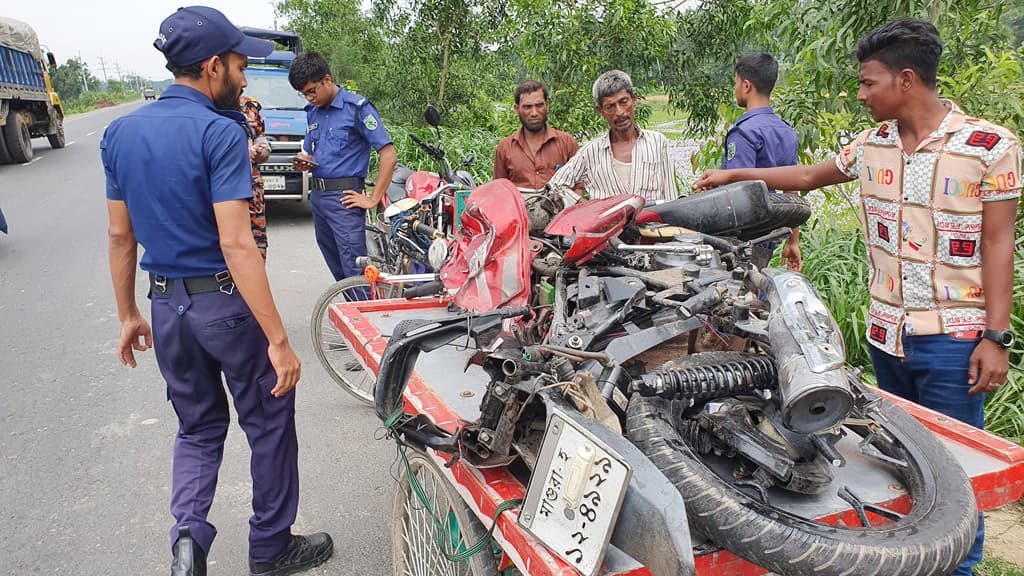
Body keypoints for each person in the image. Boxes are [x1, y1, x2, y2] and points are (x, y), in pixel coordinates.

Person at [695, 18, 1019, 575]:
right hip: (886, 335)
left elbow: (997, 244)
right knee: (899, 461)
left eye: (869, 83)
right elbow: (806, 177)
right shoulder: (873, 143)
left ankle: (960, 568)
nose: (862, 94)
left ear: (907, 80)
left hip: (954, 338)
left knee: (954, 476)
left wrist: (995, 336)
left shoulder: (989, 147)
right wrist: (734, 177)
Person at [102, 7, 333, 576]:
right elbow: (237, 243)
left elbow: (118, 233)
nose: (245, 76)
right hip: (223, 306)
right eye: (239, 64)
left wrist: (129, 313)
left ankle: (188, 542)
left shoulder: (121, 131)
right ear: (211, 67)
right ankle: (270, 547)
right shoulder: (219, 131)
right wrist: (278, 339)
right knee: (271, 415)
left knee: (199, 427)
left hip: (165, 306)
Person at [288, 52, 397, 281]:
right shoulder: (313, 113)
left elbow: (388, 155)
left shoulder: (356, 108)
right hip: (318, 198)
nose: (309, 98)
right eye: (303, 94)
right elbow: (308, 151)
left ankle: (366, 314)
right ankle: (353, 313)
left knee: (354, 269)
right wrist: (302, 160)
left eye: (311, 91)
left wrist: (373, 198)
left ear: (327, 80)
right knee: (338, 270)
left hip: (344, 200)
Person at [548, 70, 677, 203]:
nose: (619, 112)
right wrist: (585, 206)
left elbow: (670, 195)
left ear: (634, 99)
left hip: (654, 223)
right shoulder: (591, 152)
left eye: (623, 102)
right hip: (609, 224)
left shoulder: (657, 142)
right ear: (601, 111)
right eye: (610, 107)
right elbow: (555, 186)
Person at [723, 53, 802, 270]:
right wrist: (793, 240)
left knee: (740, 291)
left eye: (736, 83)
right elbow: (792, 190)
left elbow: (738, 193)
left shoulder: (744, 133)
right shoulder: (786, 131)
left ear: (746, 86)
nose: (735, 89)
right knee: (759, 283)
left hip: (743, 238)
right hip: (770, 233)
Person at [493, 79, 579, 190]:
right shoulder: (505, 148)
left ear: (547, 105)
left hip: (562, 207)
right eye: (527, 107)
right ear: (517, 109)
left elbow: (578, 188)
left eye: (539, 106)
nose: (534, 113)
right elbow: (499, 191)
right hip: (520, 207)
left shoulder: (567, 143)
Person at [241, 94, 271, 259]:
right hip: (219, 193)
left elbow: (262, 140)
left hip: (252, 192)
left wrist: (261, 151)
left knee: (257, 248)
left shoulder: (250, 106)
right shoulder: (205, 106)